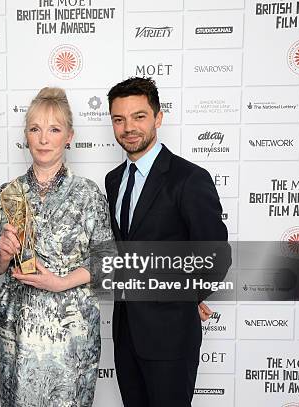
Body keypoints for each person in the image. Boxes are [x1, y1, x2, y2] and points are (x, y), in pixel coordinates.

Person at [0, 87, 114, 406]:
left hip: (71, 331)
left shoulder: (88, 194)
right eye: (35, 129)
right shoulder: (8, 194)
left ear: (69, 136)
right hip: (17, 328)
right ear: (26, 136)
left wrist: (61, 283)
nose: (43, 139)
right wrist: (1, 254)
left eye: (54, 129)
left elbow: (106, 260)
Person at [104, 77, 229, 406]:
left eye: (139, 116)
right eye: (119, 119)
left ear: (158, 118)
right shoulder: (114, 180)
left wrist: (185, 298)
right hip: (126, 332)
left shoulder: (188, 179)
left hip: (171, 337)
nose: (129, 127)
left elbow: (216, 256)